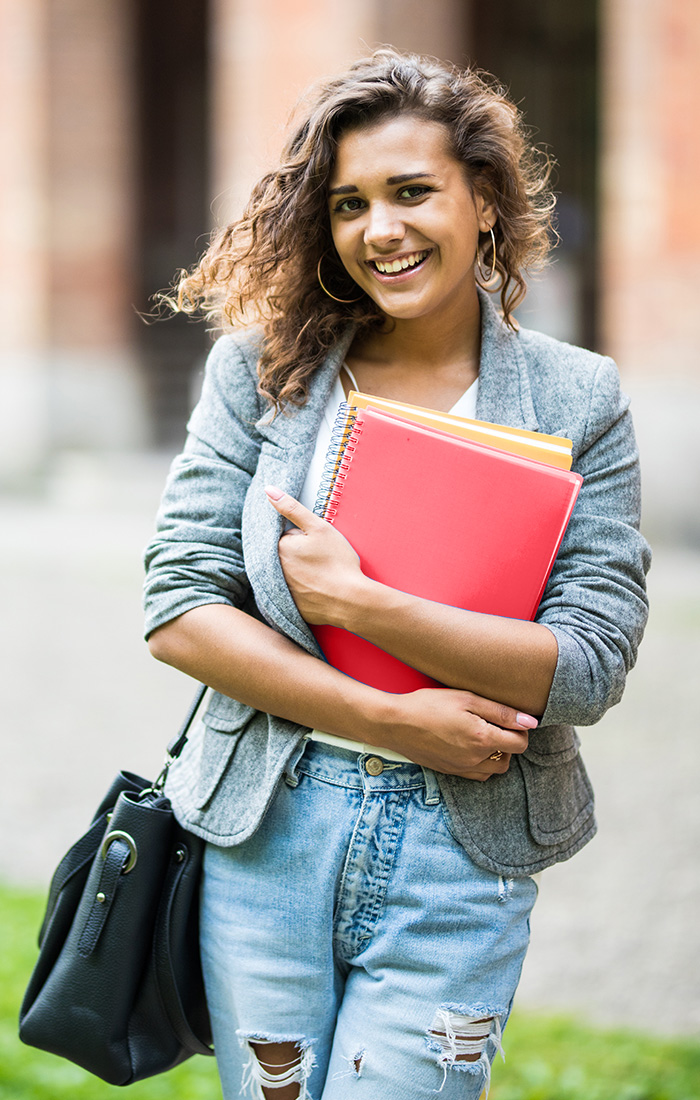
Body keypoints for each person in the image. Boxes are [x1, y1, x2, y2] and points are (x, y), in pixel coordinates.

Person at [143, 49, 650, 1100]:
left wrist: (360, 602)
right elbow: (179, 606)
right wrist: (389, 719)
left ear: (484, 202)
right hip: (268, 829)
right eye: (348, 203)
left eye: (412, 191)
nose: (382, 228)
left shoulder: (577, 396)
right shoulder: (262, 369)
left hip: (459, 854)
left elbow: (588, 665)